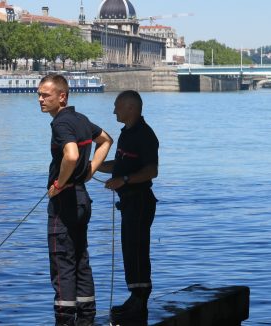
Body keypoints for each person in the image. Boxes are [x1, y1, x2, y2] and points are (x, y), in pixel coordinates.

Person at [39, 74, 113, 326]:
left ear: (62, 96)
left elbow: (70, 155)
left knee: (62, 262)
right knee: (80, 258)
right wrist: (89, 170)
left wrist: (59, 184)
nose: (40, 99)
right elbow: (106, 140)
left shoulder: (61, 123)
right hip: (82, 198)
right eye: (39, 94)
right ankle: (86, 318)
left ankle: (64, 320)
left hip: (66, 200)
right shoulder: (80, 119)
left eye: (45, 95)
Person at [99, 90, 159, 325]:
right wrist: (92, 167)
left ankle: (140, 300)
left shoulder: (145, 135)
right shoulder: (126, 134)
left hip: (140, 201)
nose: (114, 111)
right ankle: (134, 296)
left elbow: (151, 171)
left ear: (131, 108)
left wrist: (123, 181)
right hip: (129, 202)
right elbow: (120, 164)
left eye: (117, 106)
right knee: (129, 250)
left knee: (137, 250)